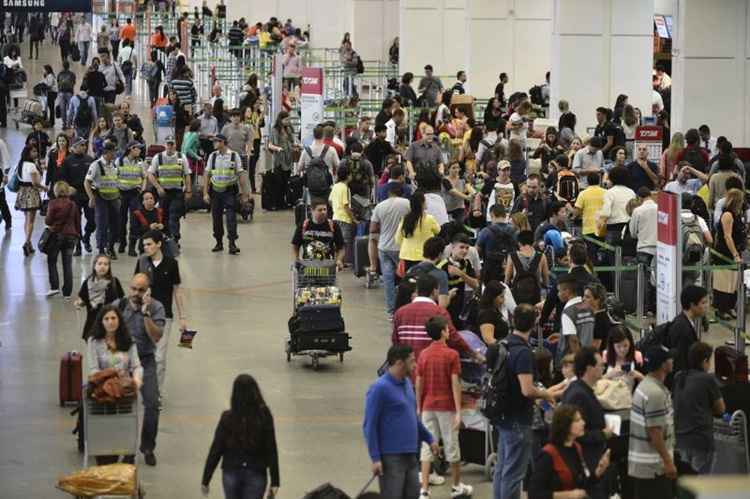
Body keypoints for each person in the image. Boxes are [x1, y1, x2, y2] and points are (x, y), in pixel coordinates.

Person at [493, 304, 555, 499]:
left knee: (502, 469)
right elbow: (527, 389)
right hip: (518, 418)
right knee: (513, 473)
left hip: (501, 415)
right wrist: (547, 395)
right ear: (535, 322)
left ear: (513, 320)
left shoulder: (502, 345)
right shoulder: (523, 353)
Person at [363, 344, 439, 499]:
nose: (415, 365)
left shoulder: (406, 385)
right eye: (411, 361)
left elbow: (412, 418)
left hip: (410, 455)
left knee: (412, 495)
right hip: (391, 458)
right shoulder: (379, 388)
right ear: (399, 363)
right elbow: (369, 425)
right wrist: (375, 458)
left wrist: (429, 439)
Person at [416, 316, 473, 498]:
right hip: (446, 406)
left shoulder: (423, 354)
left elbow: (419, 382)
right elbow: (455, 382)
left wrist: (419, 405)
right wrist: (458, 411)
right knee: (451, 446)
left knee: (427, 447)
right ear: (442, 332)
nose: (449, 331)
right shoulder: (452, 355)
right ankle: (456, 486)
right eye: (447, 329)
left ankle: (424, 490)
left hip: (427, 406)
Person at [201, 374, 280, 499]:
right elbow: (271, 448)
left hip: (231, 472)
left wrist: (206, 479)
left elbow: (216, 449)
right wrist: (275, 481)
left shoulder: (227, 418)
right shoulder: (264, 416)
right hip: (256, 472)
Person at [115, 273, 166, 467]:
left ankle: (147, 447)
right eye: (133, 289)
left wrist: (145, 314)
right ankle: (127, 449)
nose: (136, 293)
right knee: (124, 406)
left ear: (148, 291)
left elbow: (156, 337)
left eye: (141, 290)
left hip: (146, 360)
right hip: (123, 362)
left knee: (152, 404)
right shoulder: (119, 305)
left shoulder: (156, 308)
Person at [86, 303, 143, 463]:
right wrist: (108, 379)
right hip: (103, 397)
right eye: (106, 318)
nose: (111, 321)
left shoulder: (129, 340)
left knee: (127, 442)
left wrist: (137, 381)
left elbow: (137, 366)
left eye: (113, 318)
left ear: (119, 320)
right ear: (101, 322)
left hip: (124, 397)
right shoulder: (93, 342)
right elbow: (92, 370)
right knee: (105, 445)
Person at [134, 230, 187, 394]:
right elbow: (135, 287)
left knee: (159, 358)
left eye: (149, 244)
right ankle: (140, 385)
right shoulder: (142, 262)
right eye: (144, 245)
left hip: (164, 317)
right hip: (142, 315)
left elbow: (177, 291)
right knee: (141, 354)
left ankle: (155, 393)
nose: (146, 248)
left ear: (158, 244)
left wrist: (182, 317)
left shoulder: (172, 264)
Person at [528, 404, 611, 499]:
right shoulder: (548, 454)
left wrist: (598, 471)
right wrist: (568, 495)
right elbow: (534, 494)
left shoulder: (576, 447)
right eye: (577, 420)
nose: (583, 423)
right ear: (565, 425)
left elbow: (582, 484)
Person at [628, 346, 676, 498]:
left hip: (645, 466)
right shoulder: (654, 393)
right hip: (653, 468)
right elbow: (654, 431)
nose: (672, 361)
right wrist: (668, 462)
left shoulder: (646, 385)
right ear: (663, 365)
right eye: (669, 358)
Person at [673, 342, 726, 475]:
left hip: (680, 441)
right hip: (701, 442)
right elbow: (721, 409)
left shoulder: (679, 377)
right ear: (704, 361)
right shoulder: (707, 379)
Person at [203, 134, 250, 254]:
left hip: (229, 191)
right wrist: (205, 193)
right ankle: (218, 242)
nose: (214, 144)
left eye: (216, 141)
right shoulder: (212, 156)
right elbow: (207, 175)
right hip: (215, 192)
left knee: (231, 218)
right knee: (216, 219)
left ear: (223, 142)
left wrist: (245, 194)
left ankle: (232, 243)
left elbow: (241, 175)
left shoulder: (234, 156)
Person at [369, 182, 411, 317]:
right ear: (402, 192)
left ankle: (391, 312)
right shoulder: (408, 204)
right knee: (406, 278)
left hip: (384, 247)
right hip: (403, 247)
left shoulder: (380, 206)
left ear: (389, 193)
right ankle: (406, 309)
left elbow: (373, 229)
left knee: (388, 280)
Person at [148, 136, 191, 246]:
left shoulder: (182, 157)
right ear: (165, 145)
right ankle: (165, 237)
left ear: (176, 145)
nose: (170, 146)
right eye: (168, 144)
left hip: (177, 192)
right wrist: (158, 187)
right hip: (163, 192)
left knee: (174, 215)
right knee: (163, 216)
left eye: (172, 144)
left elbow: (187, 175)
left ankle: (174, 239)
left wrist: (188, 190)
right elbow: (150, 174)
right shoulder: (158, 157)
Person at [713, 189, 745, 319]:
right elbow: (727, 236)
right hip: (725, 253)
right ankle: (722, 309)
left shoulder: (737, 215)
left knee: (734, 282)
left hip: (736, 251)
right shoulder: (727, 215)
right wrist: (735, 255)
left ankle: (730, 307)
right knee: (724, 282)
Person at [44, 181, 81, 297]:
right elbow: (78, 223)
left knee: (52, 260)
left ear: (55, 191)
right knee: (67, 264)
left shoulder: (52, 203)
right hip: (71, 237)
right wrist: (78, 236)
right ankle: (67, 292)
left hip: (56, 236)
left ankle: (54, 287)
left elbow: (48, 221)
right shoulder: (73, 205)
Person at [75, 254, 124, 339]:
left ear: (109, 267)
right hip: (93, 323)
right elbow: (83, 300)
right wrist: (79, 303)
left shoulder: (114, 282)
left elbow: (121, 301)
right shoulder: (87, 282)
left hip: (110, 324)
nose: (103, 266)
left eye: (106, 264)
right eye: (100, 263)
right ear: (94, 266)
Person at [84, 140, 120, 258]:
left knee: (115, 224)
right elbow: (87, 182)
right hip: (100, 198)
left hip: (114, 198)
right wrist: (91, 198)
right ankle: (101, 249)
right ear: (107, 152)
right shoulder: (96, 165)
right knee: (102, 224)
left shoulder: (114, 164)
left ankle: (110, 247)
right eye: (113, 151)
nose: (115, 153)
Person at [555, 273, 595, 370]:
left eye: (559, 291)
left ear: (567, 291)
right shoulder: (588, 307)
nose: (558, 294)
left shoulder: (568, 312)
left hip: (572, 362)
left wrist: (579, 364)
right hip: (589, 356)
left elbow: (573, 340)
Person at [439, 233, 479, 327]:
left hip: (460, 308)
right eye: (461, 247)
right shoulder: (442, 266)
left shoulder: (466, 263)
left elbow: (476, 285)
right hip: (444, 310)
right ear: (452, 247)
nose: (465, 251)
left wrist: (461, 274)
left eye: (467, 248)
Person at [667, 285, 708, 375]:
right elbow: (681, 363)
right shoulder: (682, 328)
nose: (706, 306)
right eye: (703, 303)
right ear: (692, 305)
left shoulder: (683, 322)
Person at [395, 191, 441, 272]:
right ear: (422, 204)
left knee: (410, 281)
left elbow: (398, 239)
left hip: (406, 255)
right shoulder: (429, 219)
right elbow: (438, 230)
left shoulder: (405, 219)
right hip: (424, 256)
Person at [114, 141, 146, 256]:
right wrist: (116, 190)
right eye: (138, 148)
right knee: (121, 220)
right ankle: (122, 243)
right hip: (122, 194)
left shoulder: (140, 163)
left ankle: (132, 246)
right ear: (131, 149)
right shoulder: (120, 161)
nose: (140, 150)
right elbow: (114, 176)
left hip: (135, 194)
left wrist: (142, 189)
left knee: (134, 221)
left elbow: (144, 177)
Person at [15, 145, 47, 256]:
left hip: (22, 192)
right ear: (28, 153)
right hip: (31, 193)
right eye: (33, 151)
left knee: (26, 219)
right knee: (31, 220)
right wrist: (44, 188)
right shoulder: (31, 166)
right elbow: (35, 183)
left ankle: (28, 243)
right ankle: (27, 242)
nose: (36, 153)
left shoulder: (20, 164)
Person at [505, 230, 548, 306]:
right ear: (533, 242)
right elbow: (545, 279)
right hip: (535, 295)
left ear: (519, 243)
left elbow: (507, 279)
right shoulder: (541, 256)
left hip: (517, 296)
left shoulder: (512, 256)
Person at [476, 204, 517, 284]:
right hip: (510, 269)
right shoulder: (514, 231)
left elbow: (477, 251)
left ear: (492, 214)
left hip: (490, 271)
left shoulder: (485, 231)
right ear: (505, 214)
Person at [329, 165, 357, 265]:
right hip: (344, 219)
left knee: (337, 241)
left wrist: (336, 209)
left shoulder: (335, 186)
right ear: (348, 176)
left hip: (335, 217)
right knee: (344, 242)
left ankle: (336, 260)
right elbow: (346, 205)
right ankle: (341, 261)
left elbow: (330, 201)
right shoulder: (345, 188)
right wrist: (353, 218)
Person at [476, 280, 514, 345]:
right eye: (501, 297)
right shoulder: (487, 315)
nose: (503, 300)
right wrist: (507, 347)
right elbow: (489, 339)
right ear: (492, 297)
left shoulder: (495, 310)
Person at [583, 283, 617, 352]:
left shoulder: (598, 321)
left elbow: (593, 349)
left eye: (587, 297)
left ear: (597, 300)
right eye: (584, 296)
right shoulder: (601, 315)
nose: (583, 299)